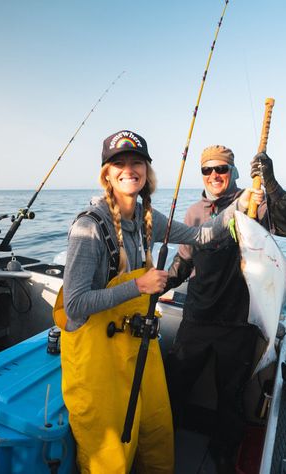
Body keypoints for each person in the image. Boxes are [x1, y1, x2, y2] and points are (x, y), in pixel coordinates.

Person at [54, 131, 260, 473]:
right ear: (106, 173)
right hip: (95, 355)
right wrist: (140, 285)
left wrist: (239, 206)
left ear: (147, 172)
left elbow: (201, 236)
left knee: (155, 427)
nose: (128, 169)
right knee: (107, 445)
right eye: (118, 163)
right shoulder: (89, 227)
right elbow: (75, 304)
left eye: (137, 162)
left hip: (136, 345)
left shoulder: (149, 218)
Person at [165, 145, 286, 471]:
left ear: (233, 171)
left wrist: (269, 180)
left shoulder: (255, 203)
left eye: (221, 169)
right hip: (197, 319)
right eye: (207, 170)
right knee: (175, 385)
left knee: (231, 396)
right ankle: (164, 437)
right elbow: (183, 259)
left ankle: (224, 451)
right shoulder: (195, 212)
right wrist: (157, 288)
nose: (214, 176)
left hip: (239, 323)